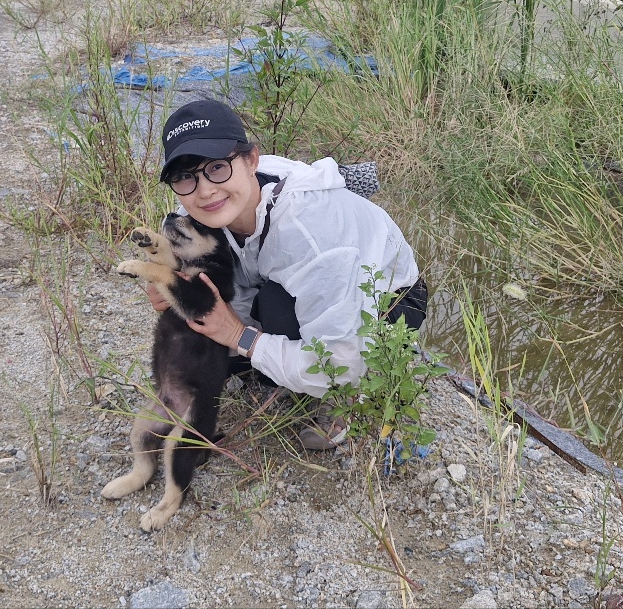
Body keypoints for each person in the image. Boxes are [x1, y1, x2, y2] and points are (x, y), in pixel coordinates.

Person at [146, 98, 428, 450]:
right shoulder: (203, 211)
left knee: (281, 312)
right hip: (285, 283)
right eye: (184, 177)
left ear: (251, 160)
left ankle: (346, 401)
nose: (204, 191)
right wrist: (174, 287)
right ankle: (274, 362)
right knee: (195, 303)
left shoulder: (308, 229)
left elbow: (339, 364)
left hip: (391, 302)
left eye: (217, 167)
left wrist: (238, 335)